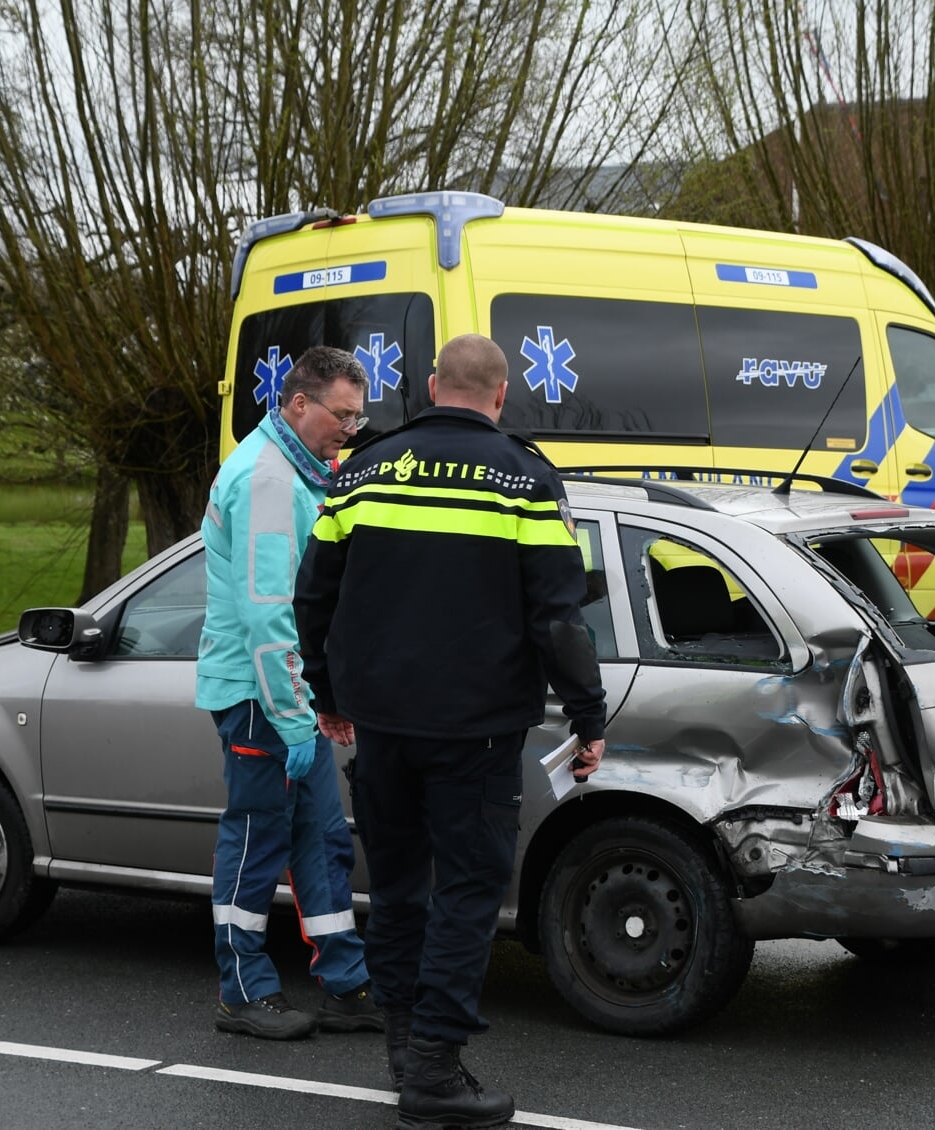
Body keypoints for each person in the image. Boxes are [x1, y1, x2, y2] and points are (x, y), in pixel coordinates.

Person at [294, 334, 606, 1127]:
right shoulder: (524, 479)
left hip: (381, 728)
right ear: (501, 396)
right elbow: (559, 617)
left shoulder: (361, 469)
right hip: (479, 734)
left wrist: (328, 691)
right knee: (467, 896)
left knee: (398, 894)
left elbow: (312, 598)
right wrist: (587, 712)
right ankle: (433, 1068)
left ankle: (406, 1050)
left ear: (433, 385)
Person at [196, 345, 383, 1041]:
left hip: (280, 693)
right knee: (256, 839)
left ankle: (345, 983)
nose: (350, 430)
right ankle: (242, 993)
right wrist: (291, 714)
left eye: (358, 418)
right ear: (298, 403)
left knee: (322, 839)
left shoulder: (296, 470)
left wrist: (310, 707)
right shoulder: (270, 479)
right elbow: (267, 611)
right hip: (257, 693)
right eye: (342, 415)